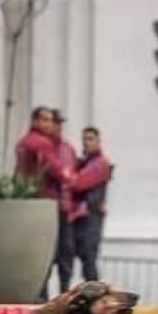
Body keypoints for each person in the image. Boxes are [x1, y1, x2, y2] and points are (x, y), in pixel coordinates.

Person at [69, 127, 112, 285]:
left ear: (98, 141)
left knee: (88, 258)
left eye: (90, 139)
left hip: (91, 215)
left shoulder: (100, 163)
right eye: (84, 139)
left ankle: (94, 294)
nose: (86, 143)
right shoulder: (85, 162)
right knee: (80, 256)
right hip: (81, 216)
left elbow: (78, 183)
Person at [50, 109, 79, 294]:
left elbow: (75, 175)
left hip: (66, 209)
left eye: (60, 123)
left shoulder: (68, 148)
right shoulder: (44, 147)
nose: (58, 127)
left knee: (66, 252)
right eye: (55, 123)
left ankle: (65, 291)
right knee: (46, 254)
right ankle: (41, 296)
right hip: (48, 208)